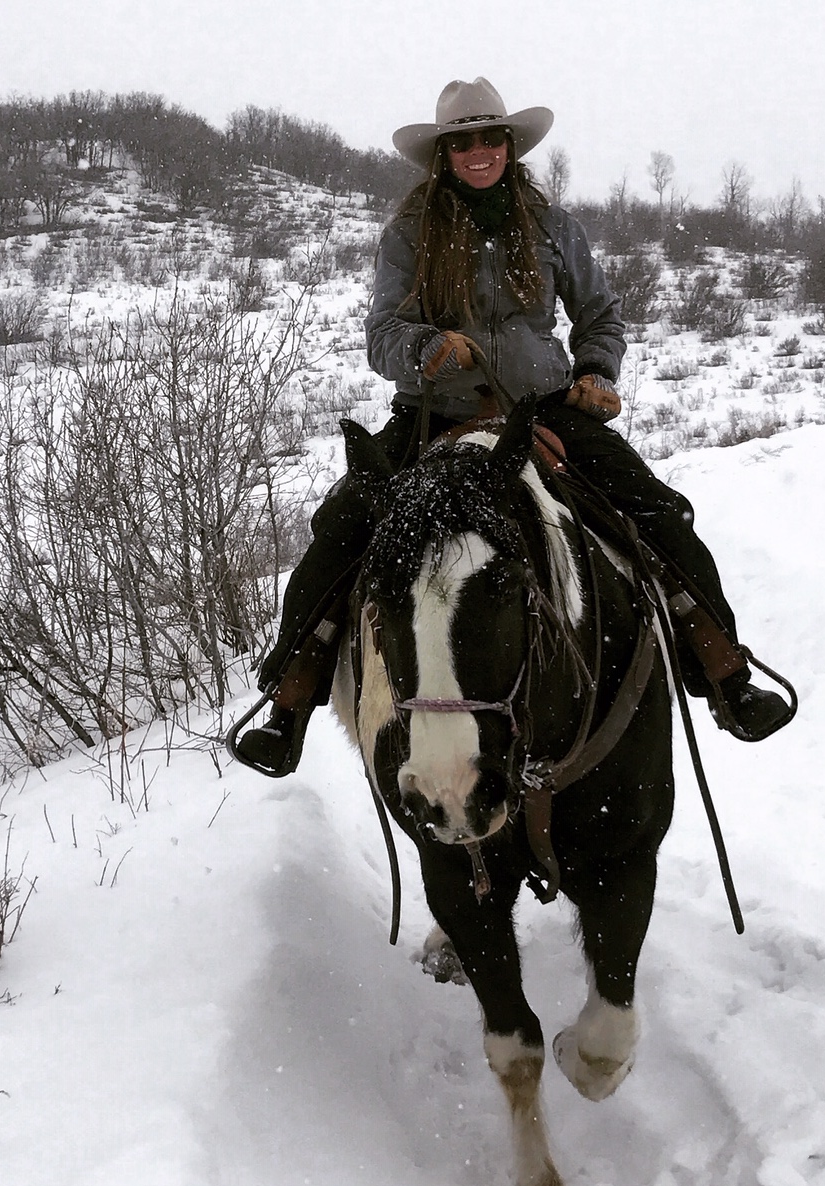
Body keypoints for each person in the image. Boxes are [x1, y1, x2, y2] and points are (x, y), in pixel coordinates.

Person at [234, 78, 792, 776]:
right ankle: (288, 704)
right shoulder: (409, 233)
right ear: (444, 153)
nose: (477, 150)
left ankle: (724, 673)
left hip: (541, 408)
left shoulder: (556, 228)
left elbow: (601, 317)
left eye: (489, 136)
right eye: (462, 140)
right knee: (345, 523)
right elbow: (382, 332)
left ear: (508, 145)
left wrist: (595, 372)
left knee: (655, 510)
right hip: (433, 412)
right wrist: (426, 348)